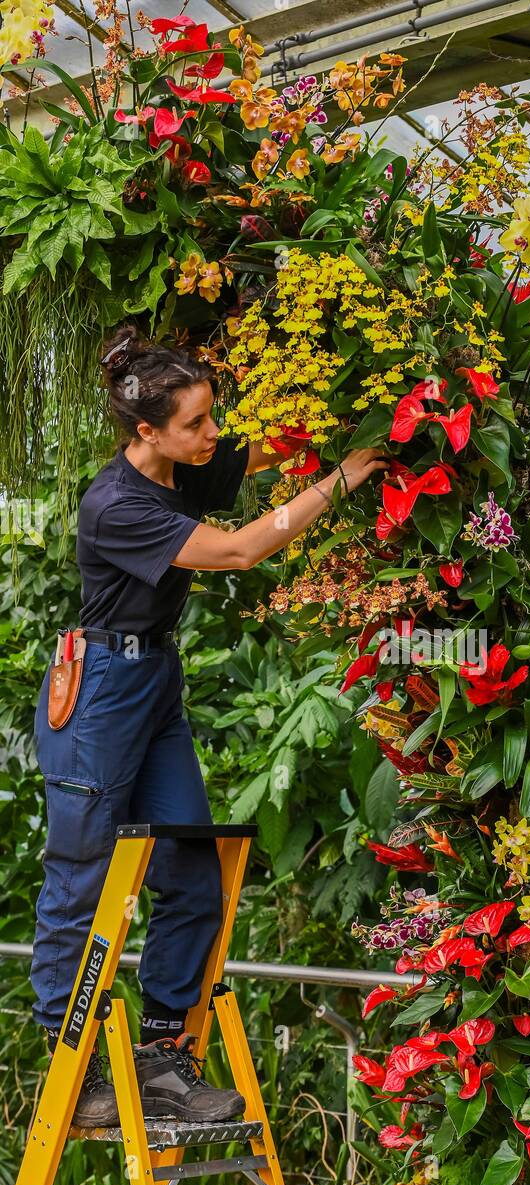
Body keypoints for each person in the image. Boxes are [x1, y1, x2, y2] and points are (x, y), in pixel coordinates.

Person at [31, 324, 388, 1126]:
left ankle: (163, 1051)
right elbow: (237, 552)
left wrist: (357, 415)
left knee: (195, 864)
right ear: (147, 430)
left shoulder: (186, 468)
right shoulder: (116, 504)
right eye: (196, 424)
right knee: (82, 873)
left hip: (154, 679)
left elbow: (268, 455)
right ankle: (72, 1059)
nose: (213, 436)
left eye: (211, 418)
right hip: (101, 690)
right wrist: (344, 479)